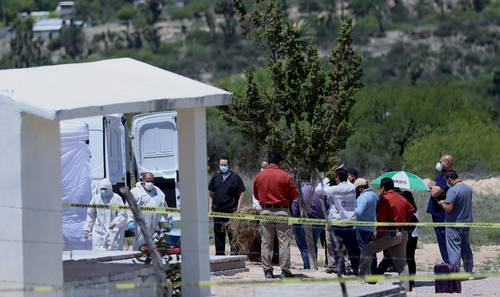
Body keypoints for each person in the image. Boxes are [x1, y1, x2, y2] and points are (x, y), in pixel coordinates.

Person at [359, 178, 415, 291]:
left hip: (391, 233)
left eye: (380, 188)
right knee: (401, 263)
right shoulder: (401, 197)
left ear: (383, 188)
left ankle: (365, 280)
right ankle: (406, 287)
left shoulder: (385, 199)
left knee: (366, 250)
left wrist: (377, 235)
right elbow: (412, 209)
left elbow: (381, 220)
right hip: (402, 233)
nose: (380, 190)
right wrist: (404, 222)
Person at [253, 152, 298, 279]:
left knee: (266, 242)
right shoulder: (286, 176)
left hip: (265, 211)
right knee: (284, 242)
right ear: (280, 162)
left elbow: (256, 195)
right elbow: (294, 195)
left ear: (268, 161)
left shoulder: (259, 176)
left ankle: (267, 271)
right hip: (282, 212)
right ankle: (285, 271)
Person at [324, 167, 360, 275]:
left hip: (337, 223)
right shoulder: (352, 187)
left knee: (337, 250)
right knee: (352, 249)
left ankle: (341, 272)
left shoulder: (335, 189)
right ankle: (356, 271)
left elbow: (318, 189)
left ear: (337, 178)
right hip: (349, 223)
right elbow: (346, 181)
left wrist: (328, 175)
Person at [208, 157, 246, 255]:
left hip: (231, 213)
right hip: (217, 213)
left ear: (229, 165)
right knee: (219, 238)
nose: (223, 166)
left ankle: (234, 258)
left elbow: (242, 192)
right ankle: (220, 257)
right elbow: (211, 194)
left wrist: (238, 209)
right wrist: (210, 209)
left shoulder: (235, 177)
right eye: (221, 165)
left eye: (225, 165)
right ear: (219, 165)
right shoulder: (215, 177)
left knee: (233, 237)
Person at [438, 170, 473, 273]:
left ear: (449, 179)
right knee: (466, 247)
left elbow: (449, 209)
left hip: (454, 223)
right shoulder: (468, 188)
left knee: (454, 248)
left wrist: (441, 204)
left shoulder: (452, 190)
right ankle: (469, 271)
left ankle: (455, 273)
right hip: (466, 221)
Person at [291, 171, 324, 269]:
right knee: (313, 245)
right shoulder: (317, 191)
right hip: (318, 222)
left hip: (302, 222)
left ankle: (308, 267)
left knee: (304, 247)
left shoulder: (299, 191)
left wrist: (295, 222)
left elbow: (295, 207)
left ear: (299, 179)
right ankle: (314, 265)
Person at [83, 179, 127, 251]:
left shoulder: (117, 198)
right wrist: (87, 228)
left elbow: (123, 215)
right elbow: (90, 214)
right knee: (98, 252)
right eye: (101, 189)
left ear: (109, 188)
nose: (103, 191)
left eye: (105, 189)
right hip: (99, 230)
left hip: (114, 231)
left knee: (113, 251)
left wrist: (114, 224)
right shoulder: (96, 198)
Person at [128, 172, 167, 250]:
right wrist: (130, 221)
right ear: (143, 180)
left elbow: (164, 206)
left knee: (154, 249)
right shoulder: (135, 192)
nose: (151, 183)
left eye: (152, 181)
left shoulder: (158, 191)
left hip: (154, 228)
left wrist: (168, 217)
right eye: (148, 181)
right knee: (139, 249)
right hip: (140, 229)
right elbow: (129, 208)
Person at [427, 154, 453, 263]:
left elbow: (434, 192)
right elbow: (433, 186)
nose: (438, 164)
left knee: (443, 237)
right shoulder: (441, 175)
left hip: (441, 212)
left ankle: (448, 262)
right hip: (437, 211)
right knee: (441, 236)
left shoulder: (447, 176)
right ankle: (447, 261)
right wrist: (433, 186)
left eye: (441, 162)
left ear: (447, 163)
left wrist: (432, 187)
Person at [353, 178, 378, 274]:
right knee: (371, 250)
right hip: (371, 226)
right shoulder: (374, 195)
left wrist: (351, 208)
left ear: (360, 188)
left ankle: (364, 272)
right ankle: (373, 270)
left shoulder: (363, 197)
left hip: (362, 227)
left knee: (363, 251)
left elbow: (359, 212)